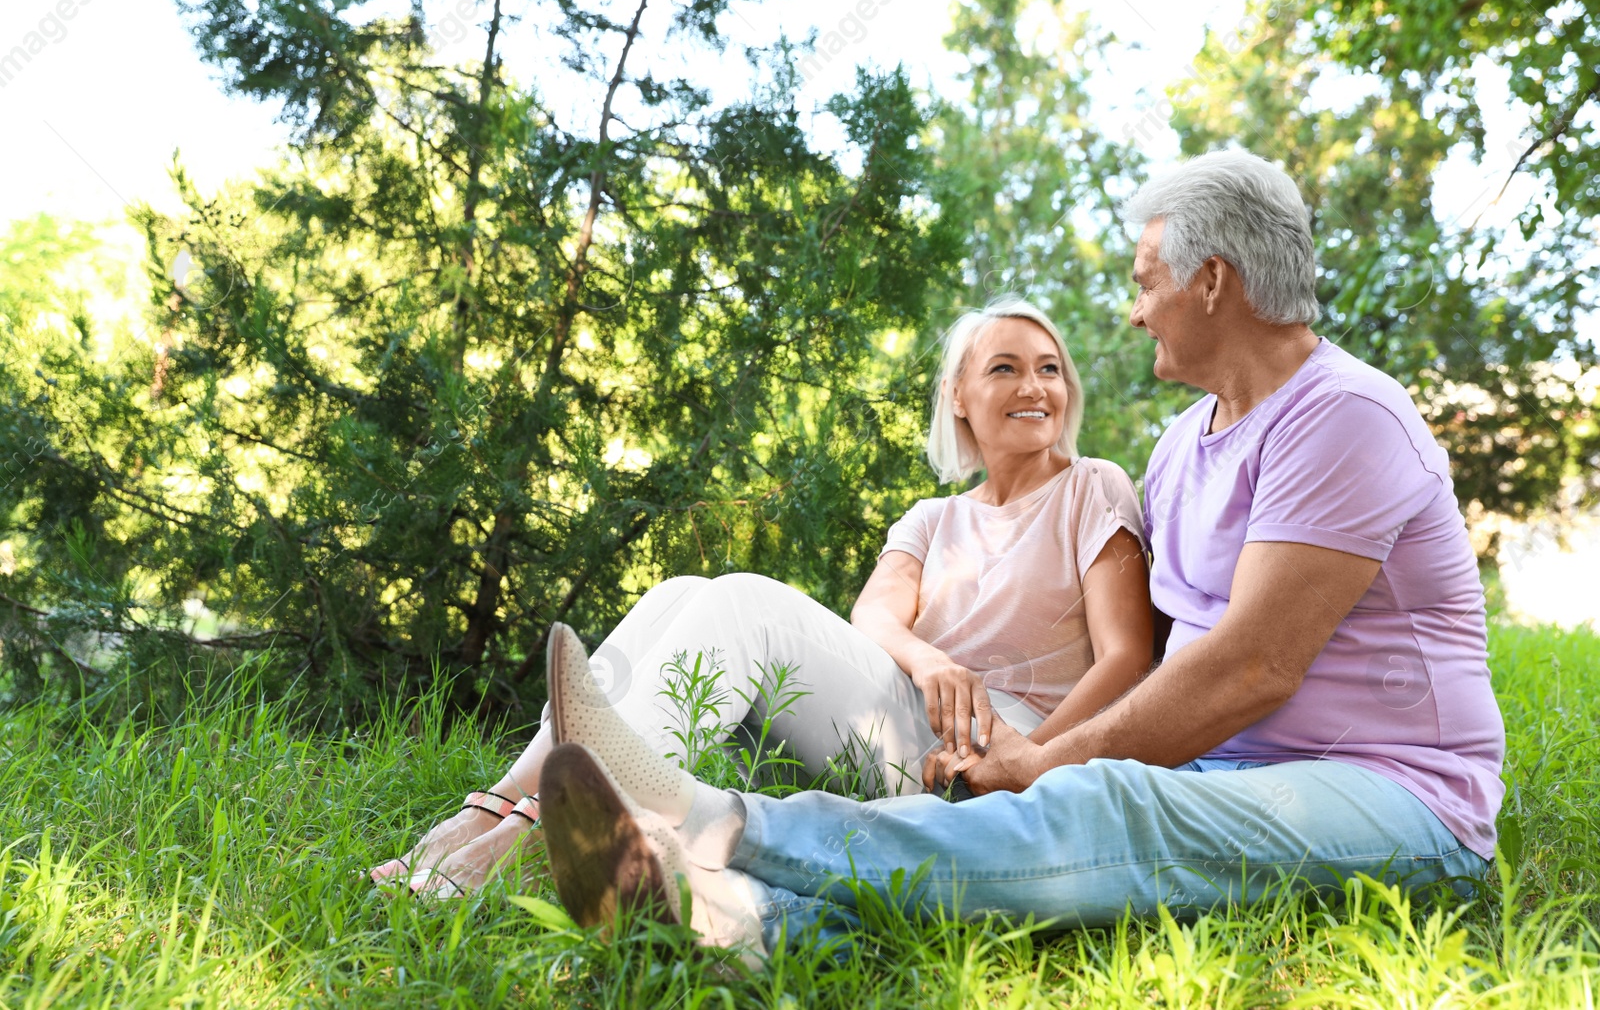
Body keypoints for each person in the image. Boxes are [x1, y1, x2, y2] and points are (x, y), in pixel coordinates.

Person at [534, 148, 1507, 962]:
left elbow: (1250, 662)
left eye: (1144, 281)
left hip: (1396, 789)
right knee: (1074, 814)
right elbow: (1161, 646)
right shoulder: (1181, 445)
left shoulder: (1342, 414)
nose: (1133, 311)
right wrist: (1010, 744)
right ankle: (729, 924)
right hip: (1217, 772)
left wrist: (1041, 755)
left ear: (1212, 281)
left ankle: (714, 819)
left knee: (1110, 803)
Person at [370, 297, 1154, 895]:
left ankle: (550, 834)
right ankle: (507, 801)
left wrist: (1034, 757)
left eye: (1050, 368)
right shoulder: (934, 516)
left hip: (997, 754)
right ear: (958, 394)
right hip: (912, 723)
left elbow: (1129, 656)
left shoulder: (1093, 487)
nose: (1035, 386)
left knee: (742, 602)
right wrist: (930, 658)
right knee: (683, 589)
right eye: (1006, 367)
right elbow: (876, 615)